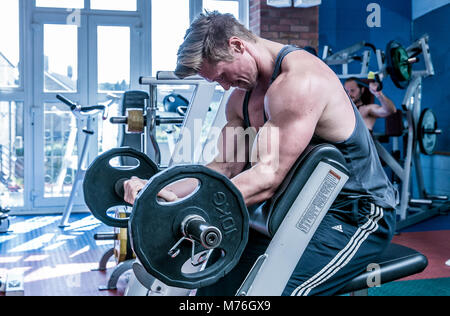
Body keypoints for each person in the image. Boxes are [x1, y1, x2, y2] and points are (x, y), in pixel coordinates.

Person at [124, 11, 397, 296]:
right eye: (217, 82)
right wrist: (158, 191)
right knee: (214, 282)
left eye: (222, 75)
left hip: (354, 214)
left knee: (272, 292)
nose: (225, 86)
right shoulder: (240, 99)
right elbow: (224, 168)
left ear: (237, 45)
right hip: (289, 214)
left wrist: (184, 207)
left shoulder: (300, 82)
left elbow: (267, 176)